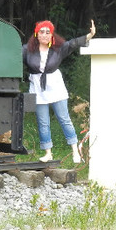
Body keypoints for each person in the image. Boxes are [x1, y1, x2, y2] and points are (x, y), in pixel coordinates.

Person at [23, 19, 96, 163]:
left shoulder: (58, 48)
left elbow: (73, 43)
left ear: (52, 35)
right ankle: (48, 152)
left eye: (48, 32)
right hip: (37, 89)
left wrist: (90, 35)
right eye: (41, 32)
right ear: (36, 34)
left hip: (56, 88)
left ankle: (75, 150)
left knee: (64, 119)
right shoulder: (27, 50)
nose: (44, 35)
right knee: (43, 122)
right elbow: (12, 54)